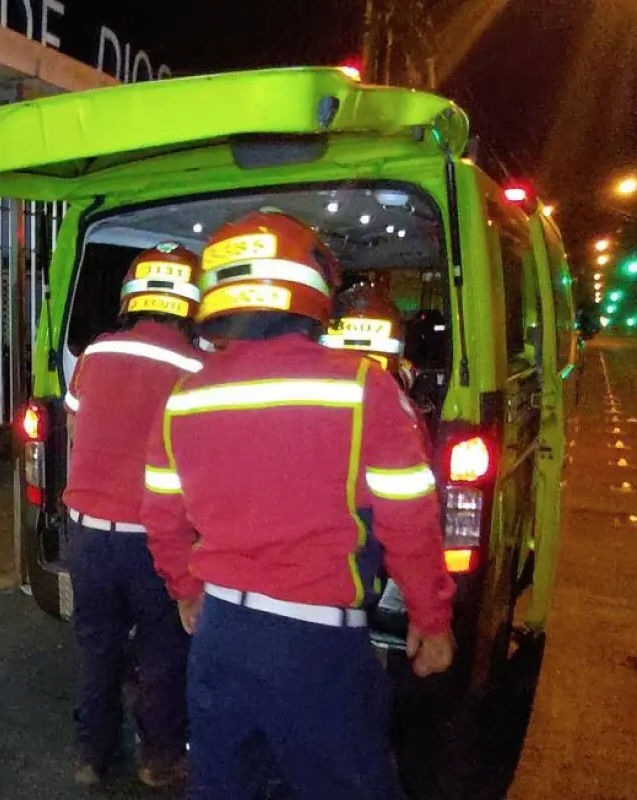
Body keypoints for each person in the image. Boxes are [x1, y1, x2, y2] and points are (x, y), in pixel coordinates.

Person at [141, 210, 456, 799]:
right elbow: (409, 520)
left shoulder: (185, 396)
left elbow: (161, 516)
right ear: (312, 288)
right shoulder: (363, 386)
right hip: (317, 649)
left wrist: (185, 588)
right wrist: (430, 617)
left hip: (219, 636)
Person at [63, 242, 206, 789]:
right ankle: (159, 759)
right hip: (156, 542)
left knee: (97, 647)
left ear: (131, 296)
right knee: (162, 651)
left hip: (88, 538)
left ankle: (92, 755)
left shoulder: (96, 353)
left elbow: (74, 427)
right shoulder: (198, 368)